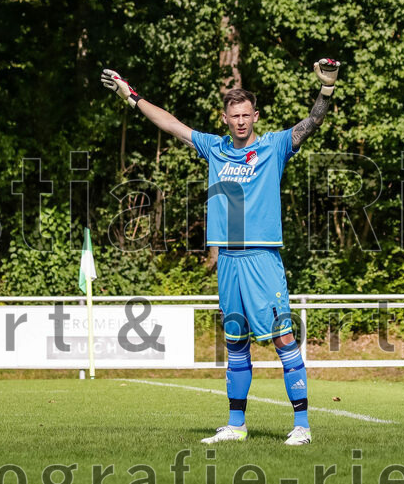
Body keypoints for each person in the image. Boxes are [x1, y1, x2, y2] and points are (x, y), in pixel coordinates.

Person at [101, 59, 340, 445]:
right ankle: (236, 425)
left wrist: (326, 90)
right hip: (227, 260)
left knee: (282, 339)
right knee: (235, 341)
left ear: (256, 116)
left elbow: (309, 125)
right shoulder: (214, 148)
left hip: (262, 258)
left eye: (247, 115)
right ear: (225, 118)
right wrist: (132, 97)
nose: (241, 121)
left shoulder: (274, 146)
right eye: (235, 116)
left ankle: (302, 427)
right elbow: (170, 123)